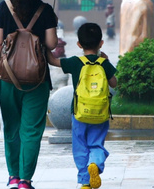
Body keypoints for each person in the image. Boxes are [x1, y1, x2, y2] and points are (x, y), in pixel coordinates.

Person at [0, 0, 58, 189]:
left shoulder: (3, 7)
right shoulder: (46, 10)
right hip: (38, 79)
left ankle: (13, 177)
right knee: (31, 131)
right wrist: (52, 24)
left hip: (8, 78)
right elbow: (51, 44)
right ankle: (25, 181)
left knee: (12, 128)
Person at [46, 23, 117, 189]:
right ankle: (95, 164)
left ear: (79, 44)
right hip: (100, 112)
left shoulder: (75, 62)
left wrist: (45, 46)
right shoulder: (103, 63)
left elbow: (53, 61)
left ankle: (85, 182)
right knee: (96, 144)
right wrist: (106, 62)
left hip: (79, 112)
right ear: (101, 43)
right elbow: (114, 83)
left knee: (80, 147)